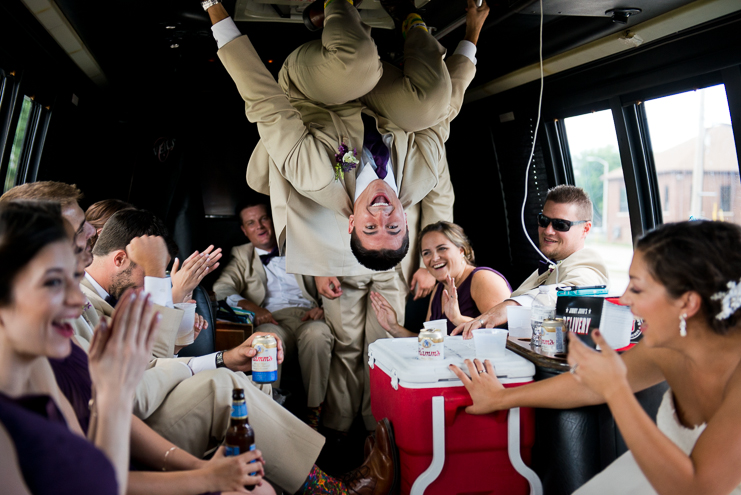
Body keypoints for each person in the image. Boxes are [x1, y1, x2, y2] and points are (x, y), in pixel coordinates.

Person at [452, 220, 741, 495]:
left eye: (637, 287)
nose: (625, 299)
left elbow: (698, 487)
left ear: (688, 303)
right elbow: (587, 386)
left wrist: (615, 389)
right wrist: (500, 398)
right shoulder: (667, 348)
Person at [0, 201, 159, 495]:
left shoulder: (35, 365)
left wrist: (113, 395)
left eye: (74, 279)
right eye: (53, 282)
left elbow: (94, 474)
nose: (77, 300)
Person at [212, 199, 333, 429]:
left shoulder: (301, 244)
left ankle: (314, 413)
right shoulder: (241, 255)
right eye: (251, 222)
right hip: (272, 318)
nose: (260, 226)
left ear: (273, 219)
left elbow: (330, 278)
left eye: (264, 218)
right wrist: (254, 308)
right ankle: (269, 412)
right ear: (244, 230)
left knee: (318, 334)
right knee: (264, 339)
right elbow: (221, 289)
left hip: (308, 315)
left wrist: (324, 308)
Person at [453, 185, 609, 337]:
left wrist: (510, 306)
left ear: (586, 229)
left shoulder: (588, 268)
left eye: (560, 225)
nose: (548, 231)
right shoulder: (549, 268)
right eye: (544, 220)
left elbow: (575, 293)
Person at [371, 221, 511, 335]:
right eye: (426, 253)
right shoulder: (439, 289)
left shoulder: (483, 278)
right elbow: (430, 343)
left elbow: (505, 336)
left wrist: (458, 319)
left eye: (442, 248)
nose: (434, 258)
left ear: (461, 250)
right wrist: (393, 327)